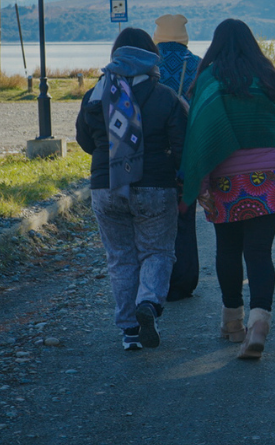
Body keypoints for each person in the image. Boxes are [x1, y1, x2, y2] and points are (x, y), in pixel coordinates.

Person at [181, 19, 275, 359]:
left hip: (228, 178)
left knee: (228, 250)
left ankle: (233, 323)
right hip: (271, 175)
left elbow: (202, 131)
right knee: (259, 253)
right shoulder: (268, 76)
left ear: (216, 44)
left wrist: (197, 180)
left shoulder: (210, 78)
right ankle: (260, 322)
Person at [76, 27, 187, 351]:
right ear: (151, 57)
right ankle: (149, 303)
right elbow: (180, 145)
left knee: (120, 257)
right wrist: (181, 180)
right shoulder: (164, 95)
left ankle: (129, 331)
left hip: (106, 187)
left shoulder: (95, 95)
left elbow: (84, 141)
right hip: (154, 185)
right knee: (157, 251)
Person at [152, 14, 201, 302]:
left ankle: (154, 280)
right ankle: (184, 280)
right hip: (188, 150)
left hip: (154, 150)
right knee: (185, 217)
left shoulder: (148, 63)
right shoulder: (196, 64)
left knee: (153, 222)